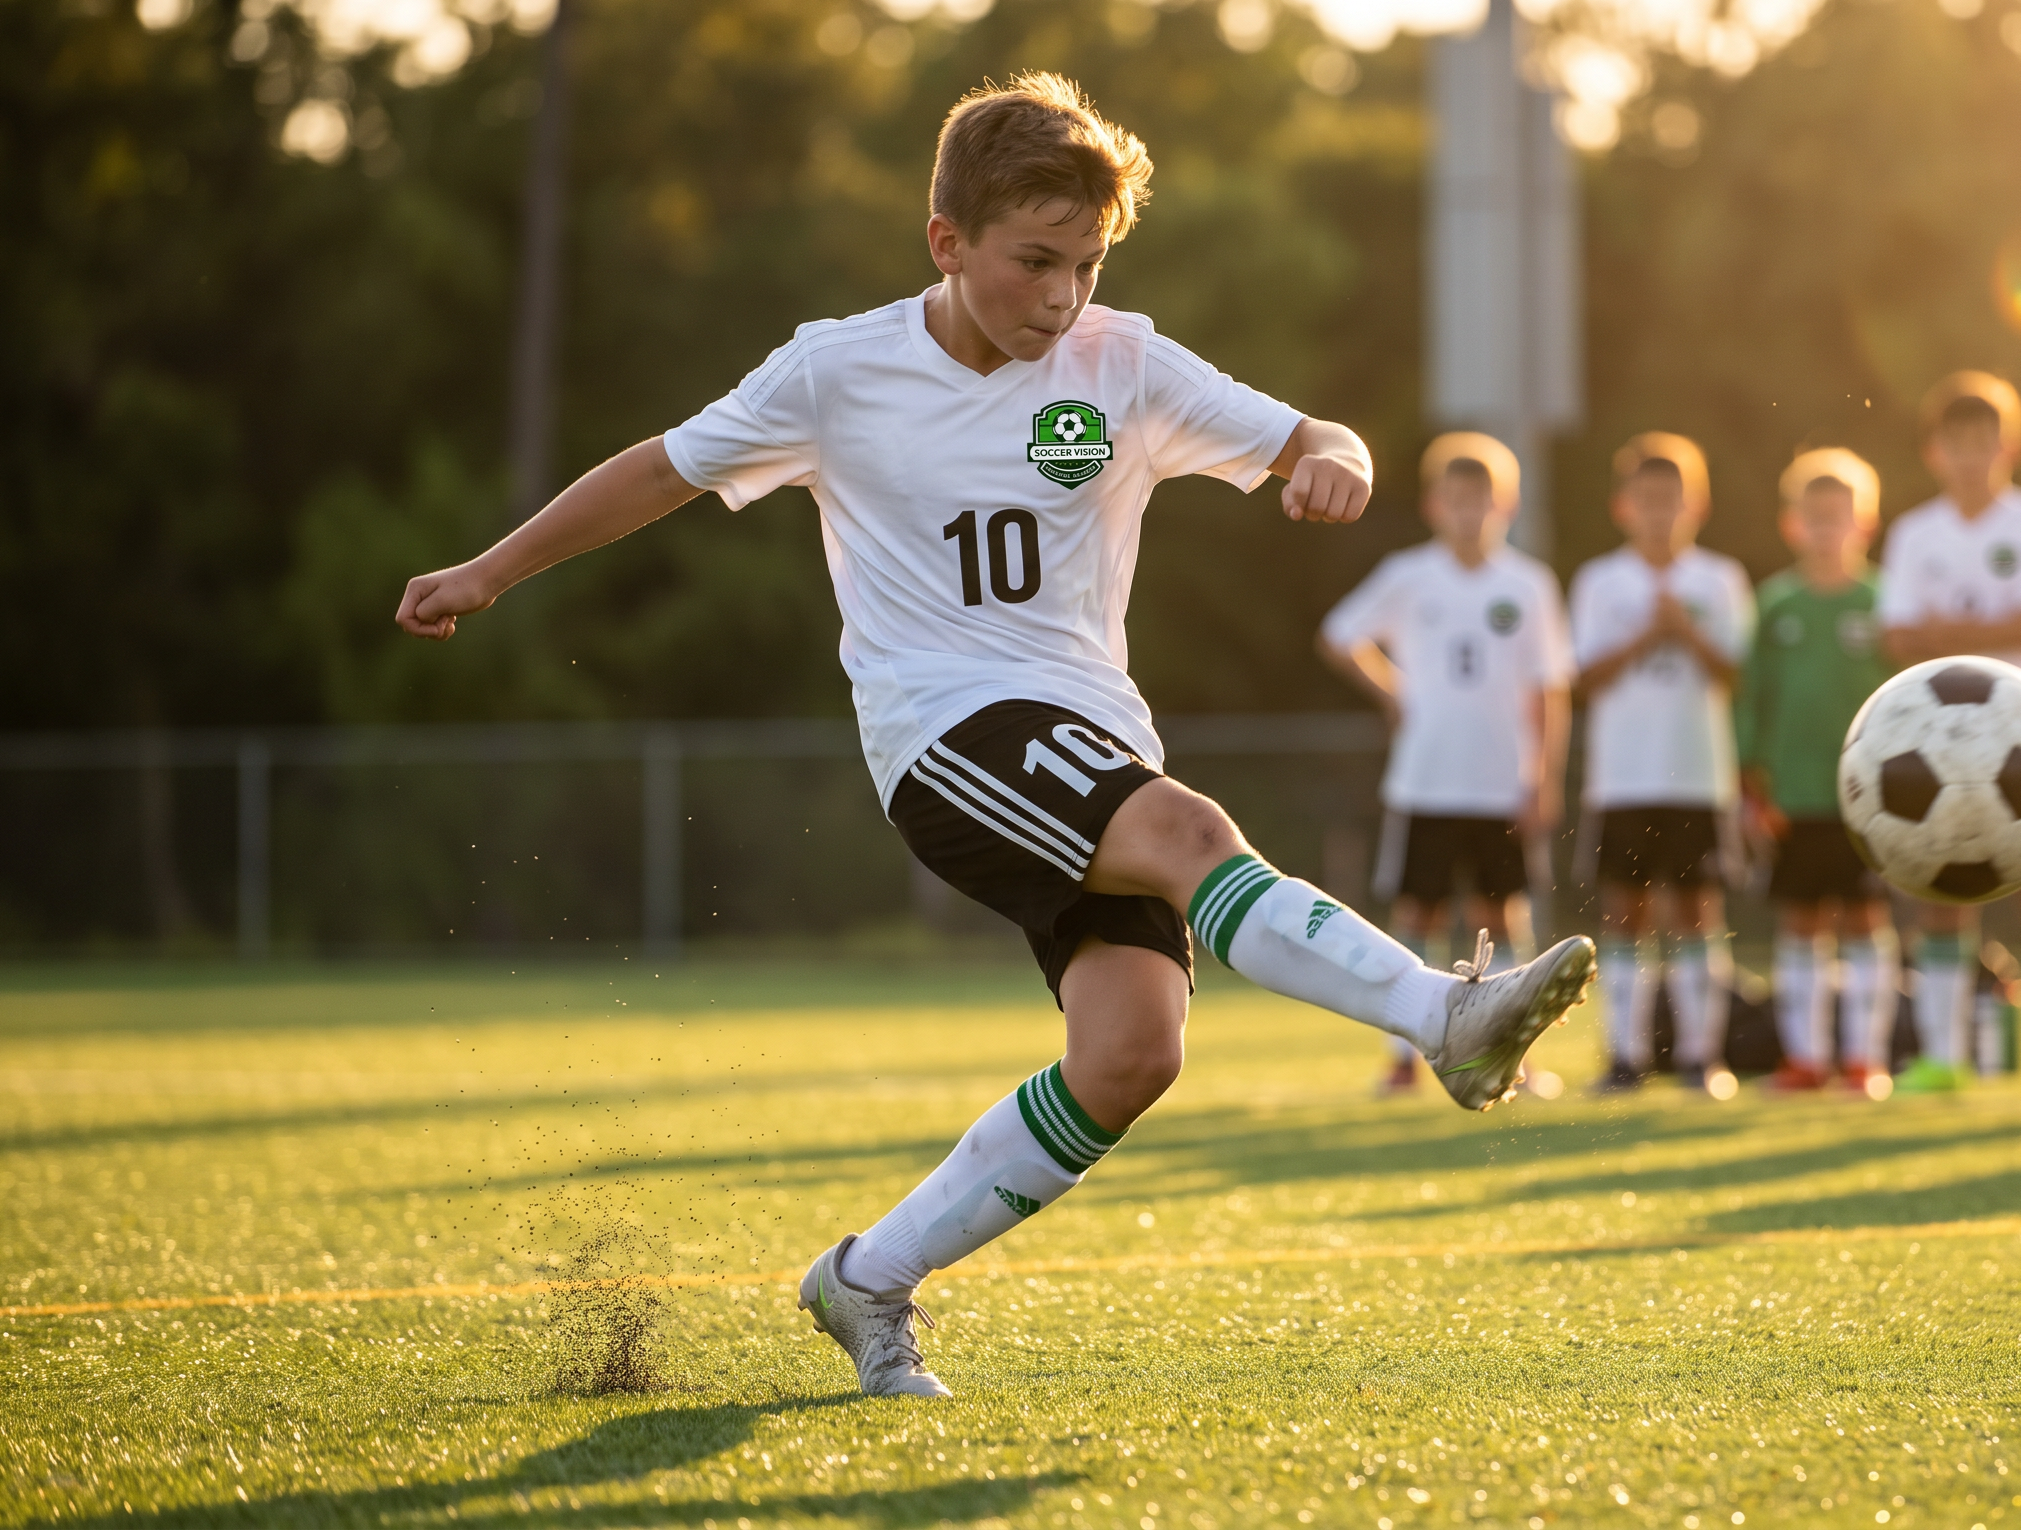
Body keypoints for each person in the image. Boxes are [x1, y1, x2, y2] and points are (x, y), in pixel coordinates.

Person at [392, 75, 1596, 1400]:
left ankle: (863, 1282)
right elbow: (662, 467)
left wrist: (1341, 459)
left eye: (1085, 264)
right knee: (1194, 833)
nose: (1063, 295)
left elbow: (1319, 432)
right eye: (1035, 262)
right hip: (944, 738)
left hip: (1089, 742)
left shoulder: (1123, 363)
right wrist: (489, 573)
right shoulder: (836, 370)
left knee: (1134, 1051)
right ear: (946, 242)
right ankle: (1449, 1015)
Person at [1875, 373, 2021, 1097]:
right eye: (1957, 445)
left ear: (2010, 446)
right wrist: (1969, 633)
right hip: (1935, 749)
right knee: (1937, 892)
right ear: (1934, 452)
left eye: (1985, 443)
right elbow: (1898, 634)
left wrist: (1955, 634)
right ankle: (1942, 1058)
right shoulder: (1916, 532)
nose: (1971, 458)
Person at [1320, 433, 1574, 1097]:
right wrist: (1390, 692)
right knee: (1418, 915)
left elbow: (1551, 690)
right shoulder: (1410, 575)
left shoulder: (1528, 584)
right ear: (1436, 505)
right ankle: (1404, 1057)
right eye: (1458, 501)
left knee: (1504, 915)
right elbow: (1340, 636)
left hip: (1501, 782)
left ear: (1507, 505)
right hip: (1426, 779)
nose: (1471, 514)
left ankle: (1516, 1053)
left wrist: (1543, 777)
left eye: (1483, 501)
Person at [1568, 433, 1756, 1095]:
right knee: (1624, 915)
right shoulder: (1601, 580)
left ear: (1696, 506)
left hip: (1698, 775)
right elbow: (1582, 676)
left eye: (1671, 500)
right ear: (1624, 506)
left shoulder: (1720, 579)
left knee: (1698, 913)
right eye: (1647, 500)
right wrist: (1647, 634)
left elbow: (1738, 670)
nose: (1659, 513)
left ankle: (1704, 1058)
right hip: (1623, 777)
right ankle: (1625, 1057)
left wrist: (1687, 631)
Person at [1737, 447, 1899, 1094]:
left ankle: (1864, 1059)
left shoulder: (1885, 602)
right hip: (1794, 795)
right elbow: (1751, 700)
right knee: (1801, 923)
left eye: (1841, 515)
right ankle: (1804, 1058)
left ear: (1866, 522)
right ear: (1791, 524)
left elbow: (1908, 705)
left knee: (1865, 923)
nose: (1827, 528)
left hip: (1867, 802)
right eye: (1815, 516)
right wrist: (1754, 783)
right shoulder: (1775, 606)